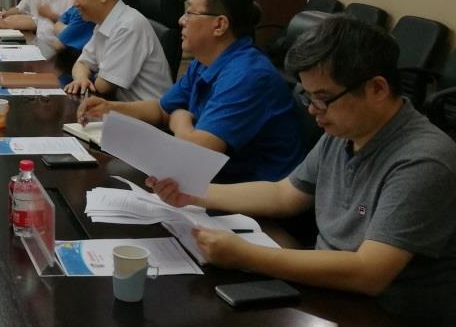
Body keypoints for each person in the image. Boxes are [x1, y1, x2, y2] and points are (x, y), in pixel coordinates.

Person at [147, 16, 456, 322]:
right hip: (325, 290)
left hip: (383, 312)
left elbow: (369, 273)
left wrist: (245, 255)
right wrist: (192, 191)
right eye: (308, 97)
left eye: (323, 99)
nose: (312, 110)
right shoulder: (346, 130)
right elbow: (284, 194)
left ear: (377, 88)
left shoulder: (423, 160)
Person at [78, 0, 303, 182]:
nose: (181, 20)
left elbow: (196, 153)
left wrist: (180, 119)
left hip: (249, 196)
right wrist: (109, 108)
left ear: (219, 25)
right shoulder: (204, 62)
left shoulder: (247, 75)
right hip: (210, 180)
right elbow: (162, 109)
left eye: (190, 13)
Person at [64, 0, 171, 101]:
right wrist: (81, 79)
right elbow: (82, 63)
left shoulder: (128, 26)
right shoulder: (104, 22)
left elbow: (103, 86)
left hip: (145, 112)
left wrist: (91, 75)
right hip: (120, 106)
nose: (74, 3)